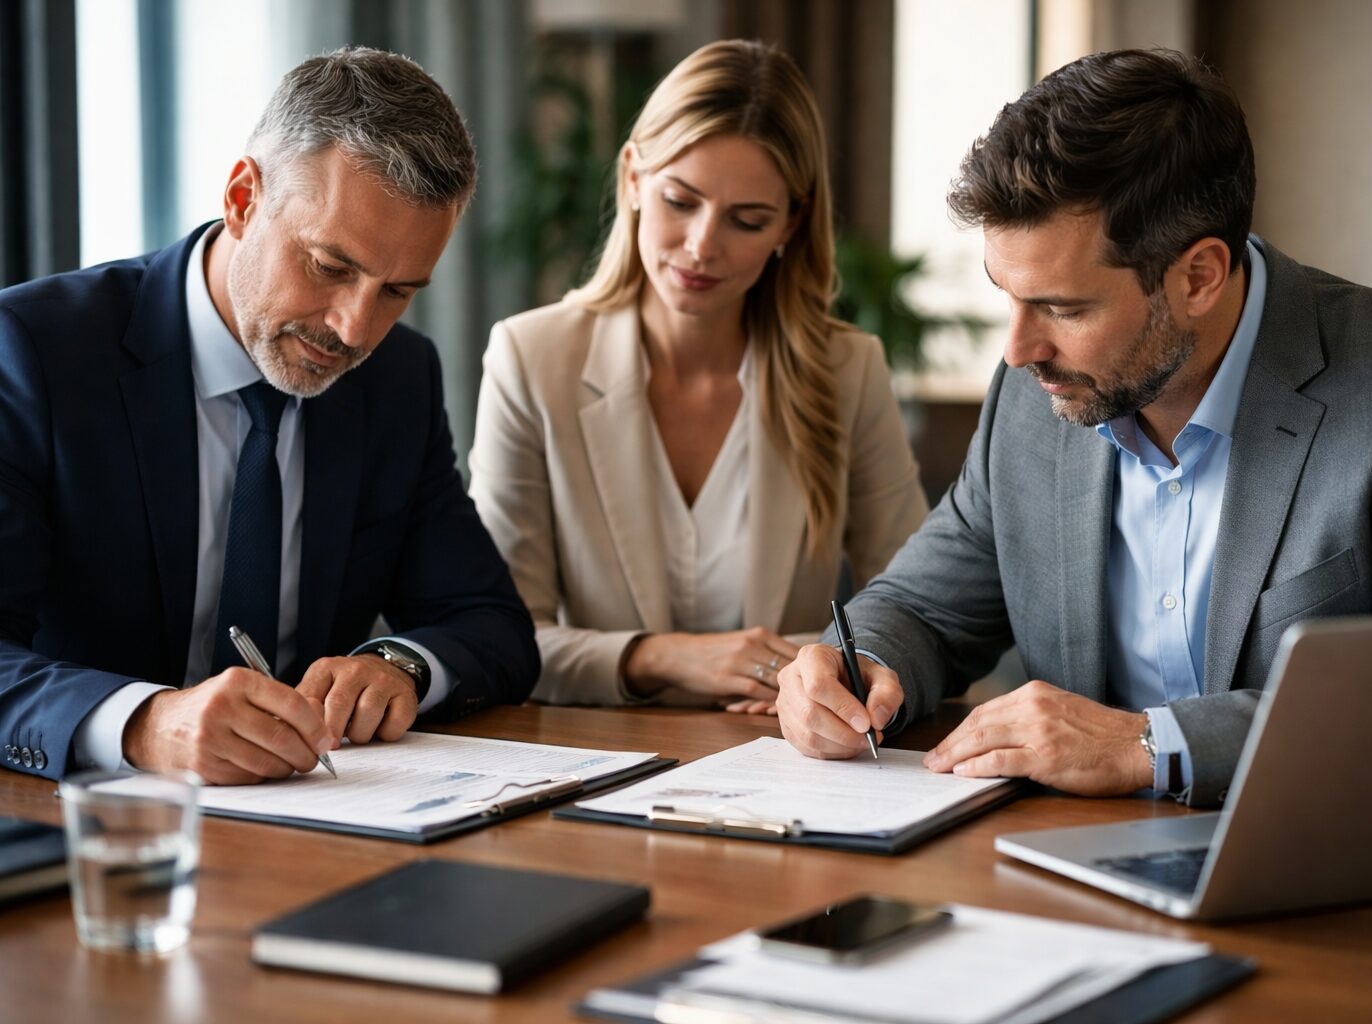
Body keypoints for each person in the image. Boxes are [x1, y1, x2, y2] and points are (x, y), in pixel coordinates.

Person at [775, 48, 1372, 807]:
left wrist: (1147, 744)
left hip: (1333, 877)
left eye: (1066, 309)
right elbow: (924, 608)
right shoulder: (1038, 397)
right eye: (1006, 294)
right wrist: (853, 668)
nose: (1018, 350)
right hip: (1070, 877)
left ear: (1199, 276)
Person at [0, 47, 539, 785]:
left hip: (311, 827)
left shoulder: (398, 379)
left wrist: (400, 664)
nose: (353, 330)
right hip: (93, 838)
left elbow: (492, 623)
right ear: (243, 198)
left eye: (397, 291)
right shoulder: (35, 352)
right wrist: (142, 722)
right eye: (330, 266)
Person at [468, 40, 926, 711]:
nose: (703, 246)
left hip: (790, 767)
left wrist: (820, 673)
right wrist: (668, 657)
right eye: (680, 200)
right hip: (592, 770)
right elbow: (502, 637)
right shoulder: (532, 360)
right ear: (632, 178)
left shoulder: (847, 371)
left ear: (790, 225)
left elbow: (921, 610)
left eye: (748, 220)